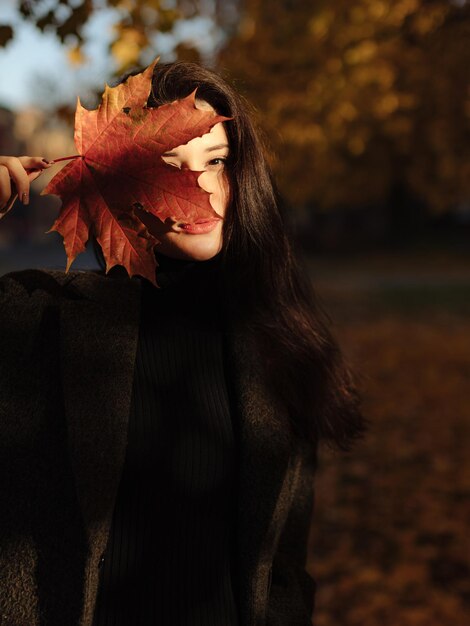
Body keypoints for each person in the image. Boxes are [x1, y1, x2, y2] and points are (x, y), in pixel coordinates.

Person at [0, 61, 367, 626]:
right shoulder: (39, 317)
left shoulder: (282, 341)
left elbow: (283, 569)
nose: (199, 187)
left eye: (216, 161)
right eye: (169, 168)